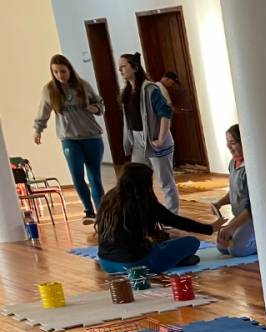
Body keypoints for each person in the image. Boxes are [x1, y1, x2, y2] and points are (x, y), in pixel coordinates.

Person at [95, 162, 217, 274]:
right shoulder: (145, 202)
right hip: (135, 264)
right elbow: (177, 222)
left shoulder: (109, 198)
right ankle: (174, 261)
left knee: (166, 243)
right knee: (192, 242)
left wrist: (164, 236)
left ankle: (176, 260)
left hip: (106, 263)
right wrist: (210, 228)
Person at [32, 54, 105, 225]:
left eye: (63, 71)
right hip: (69, 139)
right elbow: (43, 112)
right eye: (56, 72)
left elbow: (101, 105)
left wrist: (94, 108)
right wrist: (37, 130)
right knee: (77, 176)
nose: (60, 75)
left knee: (94, 177)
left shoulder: (83, 85)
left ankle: (102, 213)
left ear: (70, 70)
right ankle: (89, 211)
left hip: (92, 137)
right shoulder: (49, 90)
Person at [118, 52, 179, 213]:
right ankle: (146, 213)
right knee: (137, 180)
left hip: (154, 140)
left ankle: (173, 216)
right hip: (138, 141)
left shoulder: (150, 89)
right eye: (119, 67)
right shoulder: (127, 91)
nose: (120, 70)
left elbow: (166, 112)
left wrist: (161, 138)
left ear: (135, 67)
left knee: (165, 181)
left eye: (123, 66)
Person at [210, 124, 255, 257]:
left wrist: (231, 227)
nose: (229, 147)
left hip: (251, 218)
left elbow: (252, 207)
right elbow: (235, 191)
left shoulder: (251, 168)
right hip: (239, 217)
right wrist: (219, 203)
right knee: (222, 247)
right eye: (228, 143)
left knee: (236, 250)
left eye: (233, 143)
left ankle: (264, 242)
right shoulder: (232, 163)